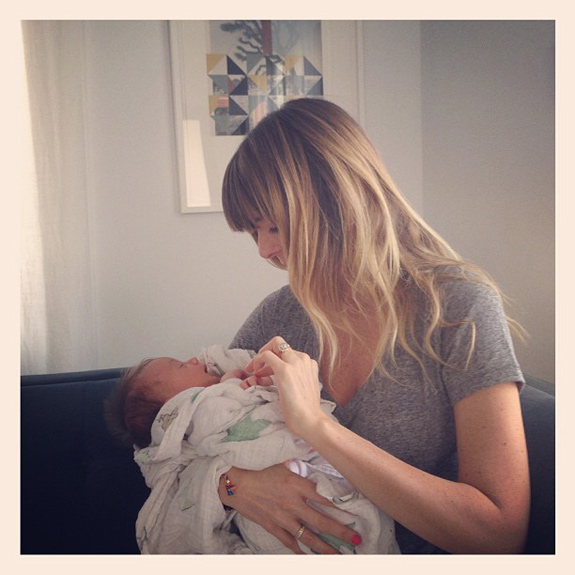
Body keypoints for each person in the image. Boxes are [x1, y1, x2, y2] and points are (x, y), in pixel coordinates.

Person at [219, 97, 530, 554]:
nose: (264, 251)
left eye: (273, 228)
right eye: (254, 232)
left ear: (334, 202)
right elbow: (196, 430)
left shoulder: (457, 308)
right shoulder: (277, 315)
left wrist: (317, 426)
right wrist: (231, 485)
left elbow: (499, 535)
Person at [105, 345, 399, 554]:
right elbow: (218, 423)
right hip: (273, 518)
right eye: (182, 365)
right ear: (173, 409)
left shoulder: (216, 391)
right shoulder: (200, 409)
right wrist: (228, 483)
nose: (194, 359)